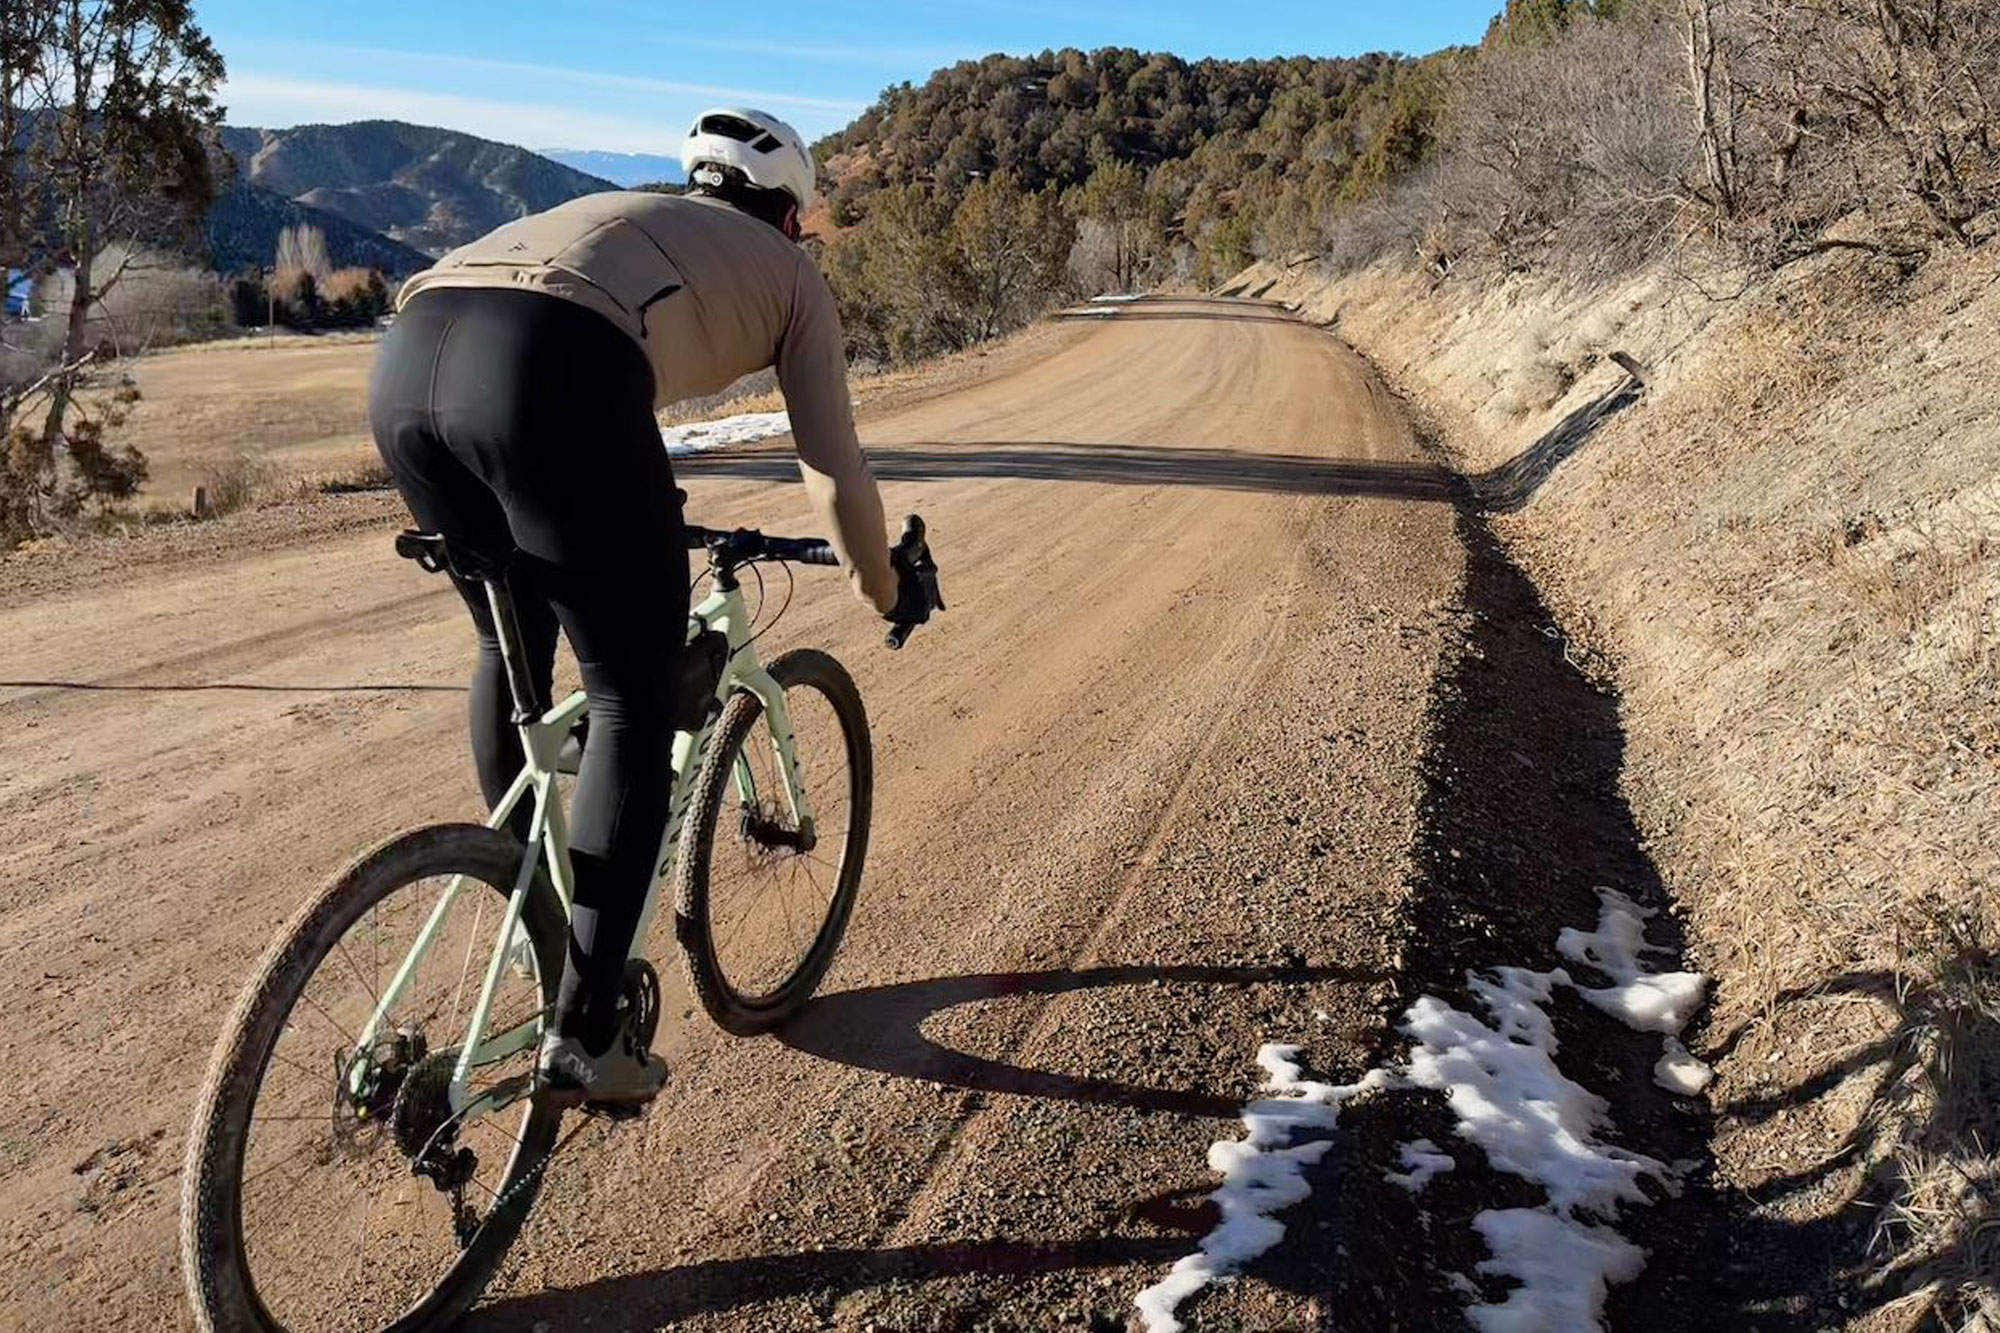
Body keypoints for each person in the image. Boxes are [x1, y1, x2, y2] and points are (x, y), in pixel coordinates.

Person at [368, 108, 930, 1108]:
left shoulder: (627, 213)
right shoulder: (790, 275)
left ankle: (540, 906)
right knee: (631, 698)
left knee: (516, 648)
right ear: (790, 215)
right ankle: (585, 1033)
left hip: (410, 356)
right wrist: (881, 583)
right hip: (551, 370)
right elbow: (833, 472)